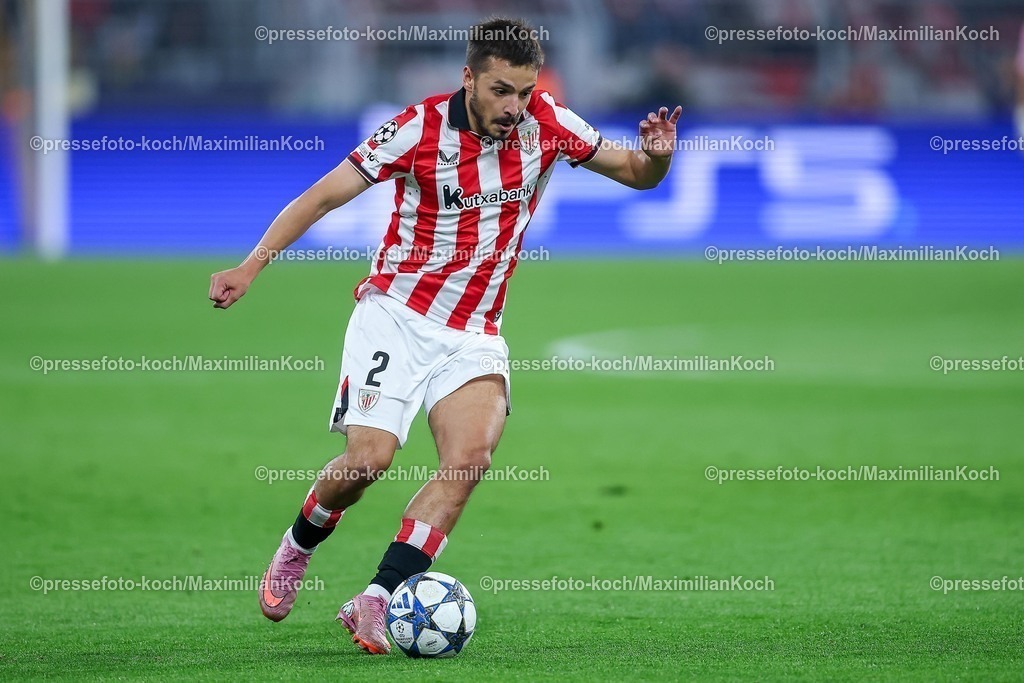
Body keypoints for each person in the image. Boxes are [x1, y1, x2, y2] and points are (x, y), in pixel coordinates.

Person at [209, 16, 680, 654]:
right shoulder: (416, 129)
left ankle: (375, 600)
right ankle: (298, 544)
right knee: (368, 462)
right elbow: (324, 196)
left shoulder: (549, 123)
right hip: (396, 314)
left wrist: (658, 157)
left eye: (523, 91)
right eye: (500, 91)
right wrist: (251, 264)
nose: (515, 107)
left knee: (469, 460)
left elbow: (633, 172)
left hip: (474, 333)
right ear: (469, 78)